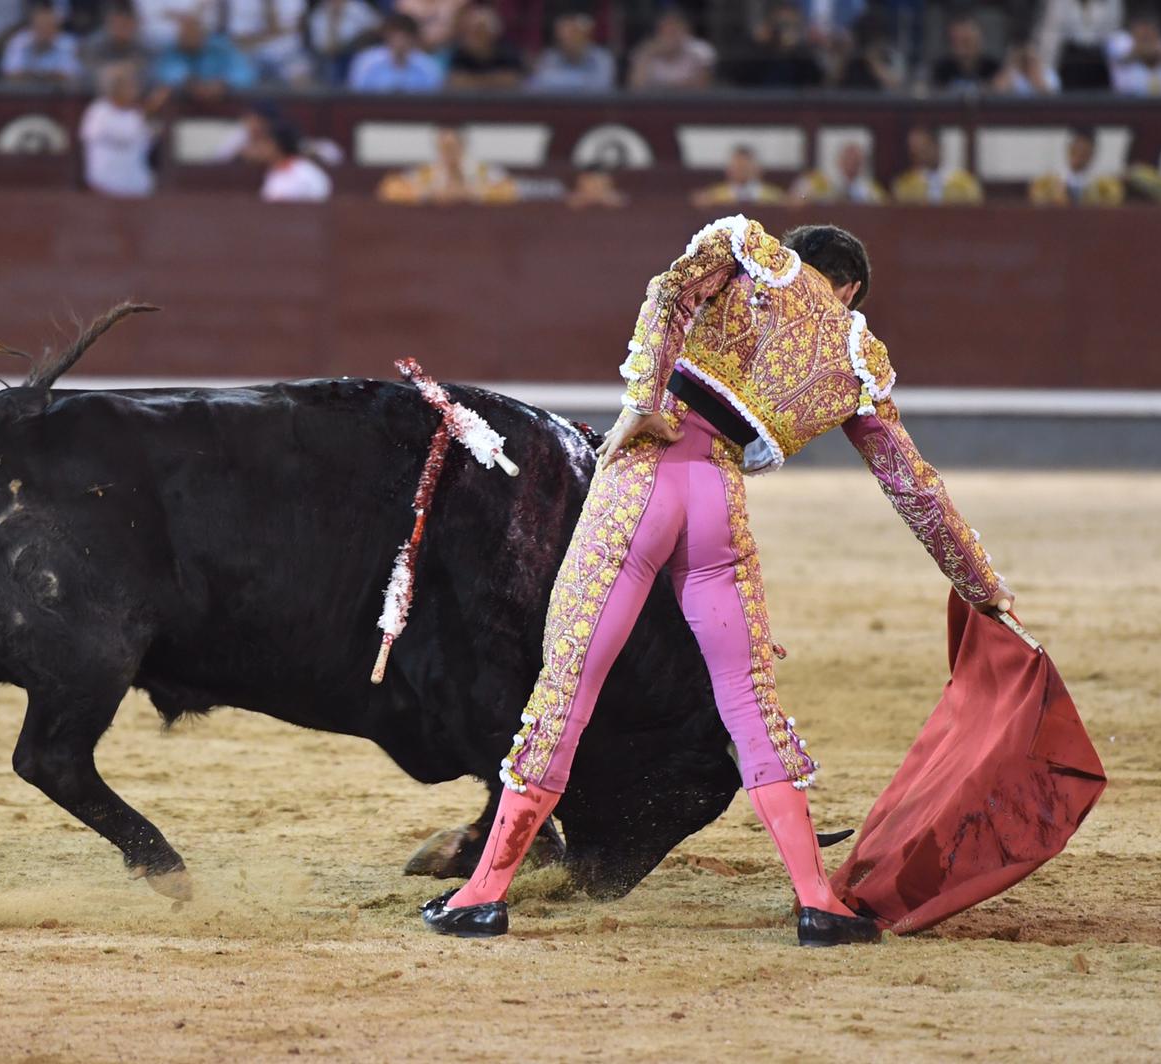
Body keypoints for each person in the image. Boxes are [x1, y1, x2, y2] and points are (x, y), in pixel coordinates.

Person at [421, 218, 1012, 945]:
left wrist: (642, 398)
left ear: (799, 259)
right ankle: (816, 902)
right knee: (750, 703)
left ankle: (484, 892)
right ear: (852, 289)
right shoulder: (856, 354)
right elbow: (914, 488)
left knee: (568, 687)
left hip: (642, 478)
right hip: (718, 505)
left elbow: (668, 293)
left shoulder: (751, 256)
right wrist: (979, 583)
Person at [79, 61, 163, 197]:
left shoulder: (137, 113)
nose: (135, 90)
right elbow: (124, 136)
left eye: (134, 85)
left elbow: (149, 143)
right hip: (105, 187)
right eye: (129, 85)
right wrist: (149, 110)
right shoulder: (99, 111)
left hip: (137, 189)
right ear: (114, 88)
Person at [375, 125, 516, 204]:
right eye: (444, 147)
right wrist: (426, 194)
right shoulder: (427, 172)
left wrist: (474, 194)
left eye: (453, 147)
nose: (448, 152)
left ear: (463, 146)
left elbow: (510, 191)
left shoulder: (483, 171)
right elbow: (389, 190)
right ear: (438, 148)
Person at [151, 11, 256, 98]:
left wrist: (223, 84)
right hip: (185, 101)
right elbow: (166, 75)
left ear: (202, 33)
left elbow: (245, 75)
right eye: (185, 32)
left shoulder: (221, 47)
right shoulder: (172, 50)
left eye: (194, 30)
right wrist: (190, 85)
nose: (189, 35)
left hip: (224, 99)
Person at [722, 1, 823, 89]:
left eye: (790, 25)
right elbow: (734, 76)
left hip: (793, 105)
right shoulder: (756, 48)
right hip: (759, 102)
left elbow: (816, 80)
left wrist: (795, 50)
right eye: (780, 24)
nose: (783, 30)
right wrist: (758, 45)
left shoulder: (803, 54)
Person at [1034, 0, 1121, 89]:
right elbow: (1051, 34)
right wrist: (1046, 71)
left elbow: (1113, 33)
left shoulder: (1111, 2)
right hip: (1069, 62)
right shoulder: (1058, 2)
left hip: (1100, 62)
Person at [347, 13, 443, 92]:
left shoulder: (428, 66)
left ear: (413, 39)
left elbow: (435, 103)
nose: (400, 42)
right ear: (387, 36)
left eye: (405, 37)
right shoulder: (365, 62)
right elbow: (355, 98)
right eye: (395, 36)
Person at [1029, 127, 1123, 206]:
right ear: (1069, 148)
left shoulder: (1105, 185)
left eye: (1085, 150)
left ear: (1092, 152)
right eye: (1076, 148)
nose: (1080, 154)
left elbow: (1113, 203)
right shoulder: (1046, 182)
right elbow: (1037, 200)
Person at [627, 7, 714, 90]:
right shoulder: (646, 50)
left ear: (686, 30)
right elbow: (635, 87)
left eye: (674, 29)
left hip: (690, 103)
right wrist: (649, 54)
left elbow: (702, 86)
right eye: (666, 29)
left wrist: (662, 87)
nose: (670, 34)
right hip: (655, 103)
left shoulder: (700, 50)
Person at [891, 125, 983, 204]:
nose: (919, 155)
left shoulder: (965, 183)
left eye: (924, 148)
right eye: (914, 151)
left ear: (937, 146)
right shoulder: (905, 185)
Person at [226, 0, 310, 85]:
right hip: (251, 55)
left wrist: (268, 34)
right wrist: (275, 32)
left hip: (289, 55)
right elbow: (239, 41)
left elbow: (300, 29)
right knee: (239, 79)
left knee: (302, 81)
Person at [527, 12, 613, 92]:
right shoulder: (549, 57)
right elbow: (535, 85)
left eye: (572, 34)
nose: (566, 40)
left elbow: (601, 86)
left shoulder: (601, 58)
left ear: (584, 36)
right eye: (562, 36)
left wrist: (557, 81)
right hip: (555, 106)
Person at [1, 0, 82, 83]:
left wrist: (32, 75)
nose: (44, 31)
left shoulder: (69, 44)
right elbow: (10, 74)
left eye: (48, 26)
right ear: (32, 26)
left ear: (57, 27)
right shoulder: (19, 41)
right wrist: (47, 76)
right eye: (40, 26)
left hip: (60, 94)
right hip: (24, 93)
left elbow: (71, 76)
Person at [445, 5, 522, 91]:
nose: (473, 35)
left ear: (493, 33)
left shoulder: (507, 52)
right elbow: (456, 82)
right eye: (469, 30)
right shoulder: (459, 54)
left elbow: (512, 80)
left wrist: (472, 81)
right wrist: (494, 80)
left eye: (479, 30)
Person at [304, 0, 380, 84]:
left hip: (358, 53)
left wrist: (362, 38)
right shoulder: (318, 15)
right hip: (332, 59)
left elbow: (378, 27)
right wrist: (333, 22)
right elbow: (328, 49)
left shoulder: (357, 7)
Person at [1106, 10, 1161, 96]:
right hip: (1126, 103)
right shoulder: (1119, 42)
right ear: (1132, 33)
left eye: (1149, 34)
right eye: (1143, 35)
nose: (1146, 37)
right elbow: (1122, 57)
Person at [255, 121, 331, 202]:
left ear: (277, 145)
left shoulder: (306, 173)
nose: (259, 147)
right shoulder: (273, 172)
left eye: (265, 142)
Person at [790, 142, 886, 204]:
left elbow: (884, 206)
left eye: (856, 161)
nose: (851, 164)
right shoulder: (821, 181)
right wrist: (808, 196)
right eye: (848, 159)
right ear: (839, 160)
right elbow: (798, 198)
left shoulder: (870, 188)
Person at [691, 145, 786, 208]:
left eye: (745, 166)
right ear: (728, 169)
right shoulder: (713, 197)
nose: (741, 170)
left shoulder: (774, 197)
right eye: (737, 166)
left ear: (758, 169)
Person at [930, 11, 1000, 93]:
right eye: (956, 41)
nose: (962, 48)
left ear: (979, 40)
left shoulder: (994, 68)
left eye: (966, 41)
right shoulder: (940, 70)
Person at [80, 1, 147, 78]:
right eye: (118, 24)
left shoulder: (142, 45)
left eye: (125, 24)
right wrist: (113, 71)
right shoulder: (94, 45)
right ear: (109, 23)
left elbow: (148, 74)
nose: (122, 29)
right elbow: (87, 75)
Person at [991, 34, 1061, 95]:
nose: (1027, 60)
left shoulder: (1049, 74)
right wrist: (1012, 65)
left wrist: (1034, 73)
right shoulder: (1012, 72)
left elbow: (1052, 99)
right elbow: (995, 91)